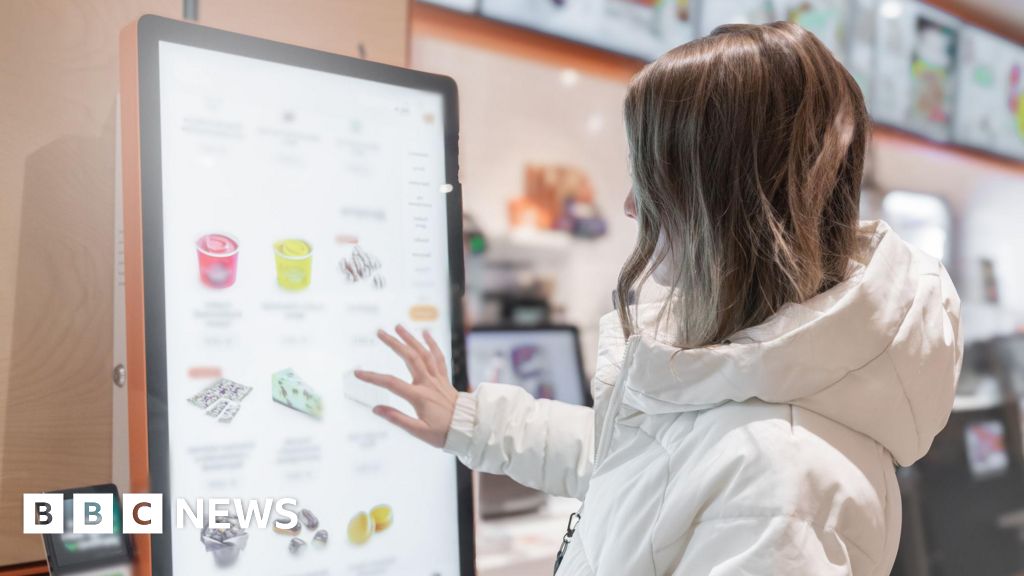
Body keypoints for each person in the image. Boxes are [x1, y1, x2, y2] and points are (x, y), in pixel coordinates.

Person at [354, 22, 962, 575]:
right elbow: (634, 460)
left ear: (720, 201)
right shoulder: (753, 375)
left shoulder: (777, 482)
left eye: (649, 178)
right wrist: (467, 419)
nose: (629, 205)